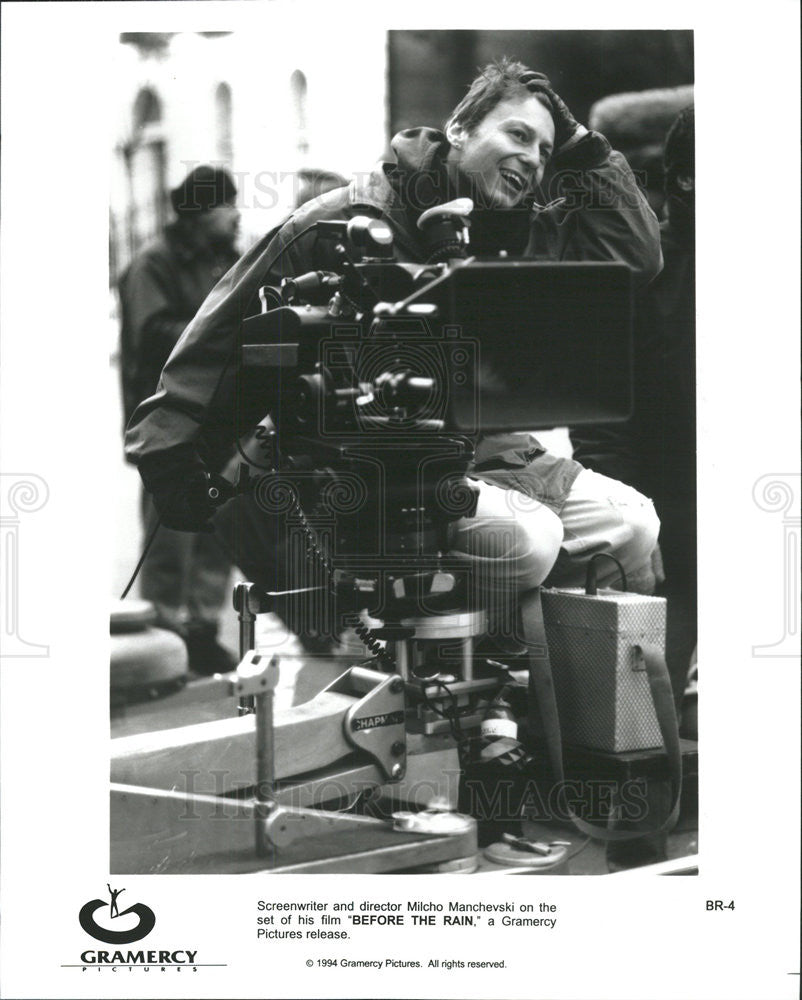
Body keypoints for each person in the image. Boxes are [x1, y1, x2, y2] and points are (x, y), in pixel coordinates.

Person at [125, 60, 664, 640]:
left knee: (633, 523)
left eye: (545, 147)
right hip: (367, 466)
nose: (533, 158)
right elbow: (225, 332)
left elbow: (633, 262)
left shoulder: (520, 228)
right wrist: (172, 450)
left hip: (492, 451)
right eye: (516, 134)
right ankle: (462, 692)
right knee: (528, 542)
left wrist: (585, 151)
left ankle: (554, 705)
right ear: (459, 130)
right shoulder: (342, 220)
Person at [571, 106, 696, 701]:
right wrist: (634, 548)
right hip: (669, 538)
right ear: (686, 178)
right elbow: (603, 422)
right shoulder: (643, 272)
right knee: (642, 720)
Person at [118, 165, 241, 673]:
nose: (236, 216)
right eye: (226, 206)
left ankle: (202, 628)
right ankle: (164, 635)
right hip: (170, 420)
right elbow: (153, 333)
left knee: (218, 525)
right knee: (171, 532)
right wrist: (222, 332)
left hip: (222, 417)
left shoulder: (227, 259)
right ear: (199, 214)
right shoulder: (153, 263)